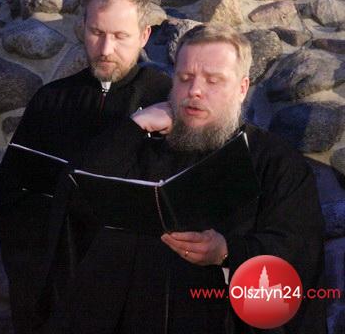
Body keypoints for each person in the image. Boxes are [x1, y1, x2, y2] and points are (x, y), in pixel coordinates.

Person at [45, 24, 326, 333]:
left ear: (242, 88)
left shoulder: (275, 162)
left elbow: (298, 252)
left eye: (213, 80)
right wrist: (133, 127)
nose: (194, 91)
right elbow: (73, 197)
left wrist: (227, 251)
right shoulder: (142, 144)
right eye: (185, 78)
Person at [0, 0, 172, 333]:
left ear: (144, 35)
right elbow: (11, 193)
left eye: (120, 36)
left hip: (138, 289)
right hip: (60, 286)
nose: (105, 49)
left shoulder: (167, 100)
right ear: (82, 28)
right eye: (96, 32)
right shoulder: (51, 100)